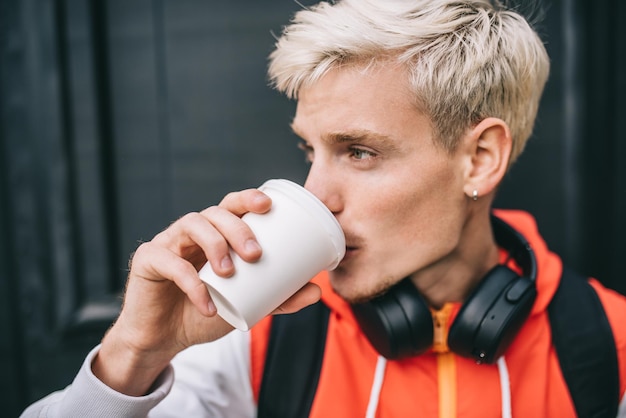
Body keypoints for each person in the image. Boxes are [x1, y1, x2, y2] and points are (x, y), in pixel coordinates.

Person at [21, 0, 626, 417]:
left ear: (480, 158)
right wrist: (135, 355)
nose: (317, 197)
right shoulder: (256, 338)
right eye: (309, 149)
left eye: (359, 152)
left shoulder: (609, 346)